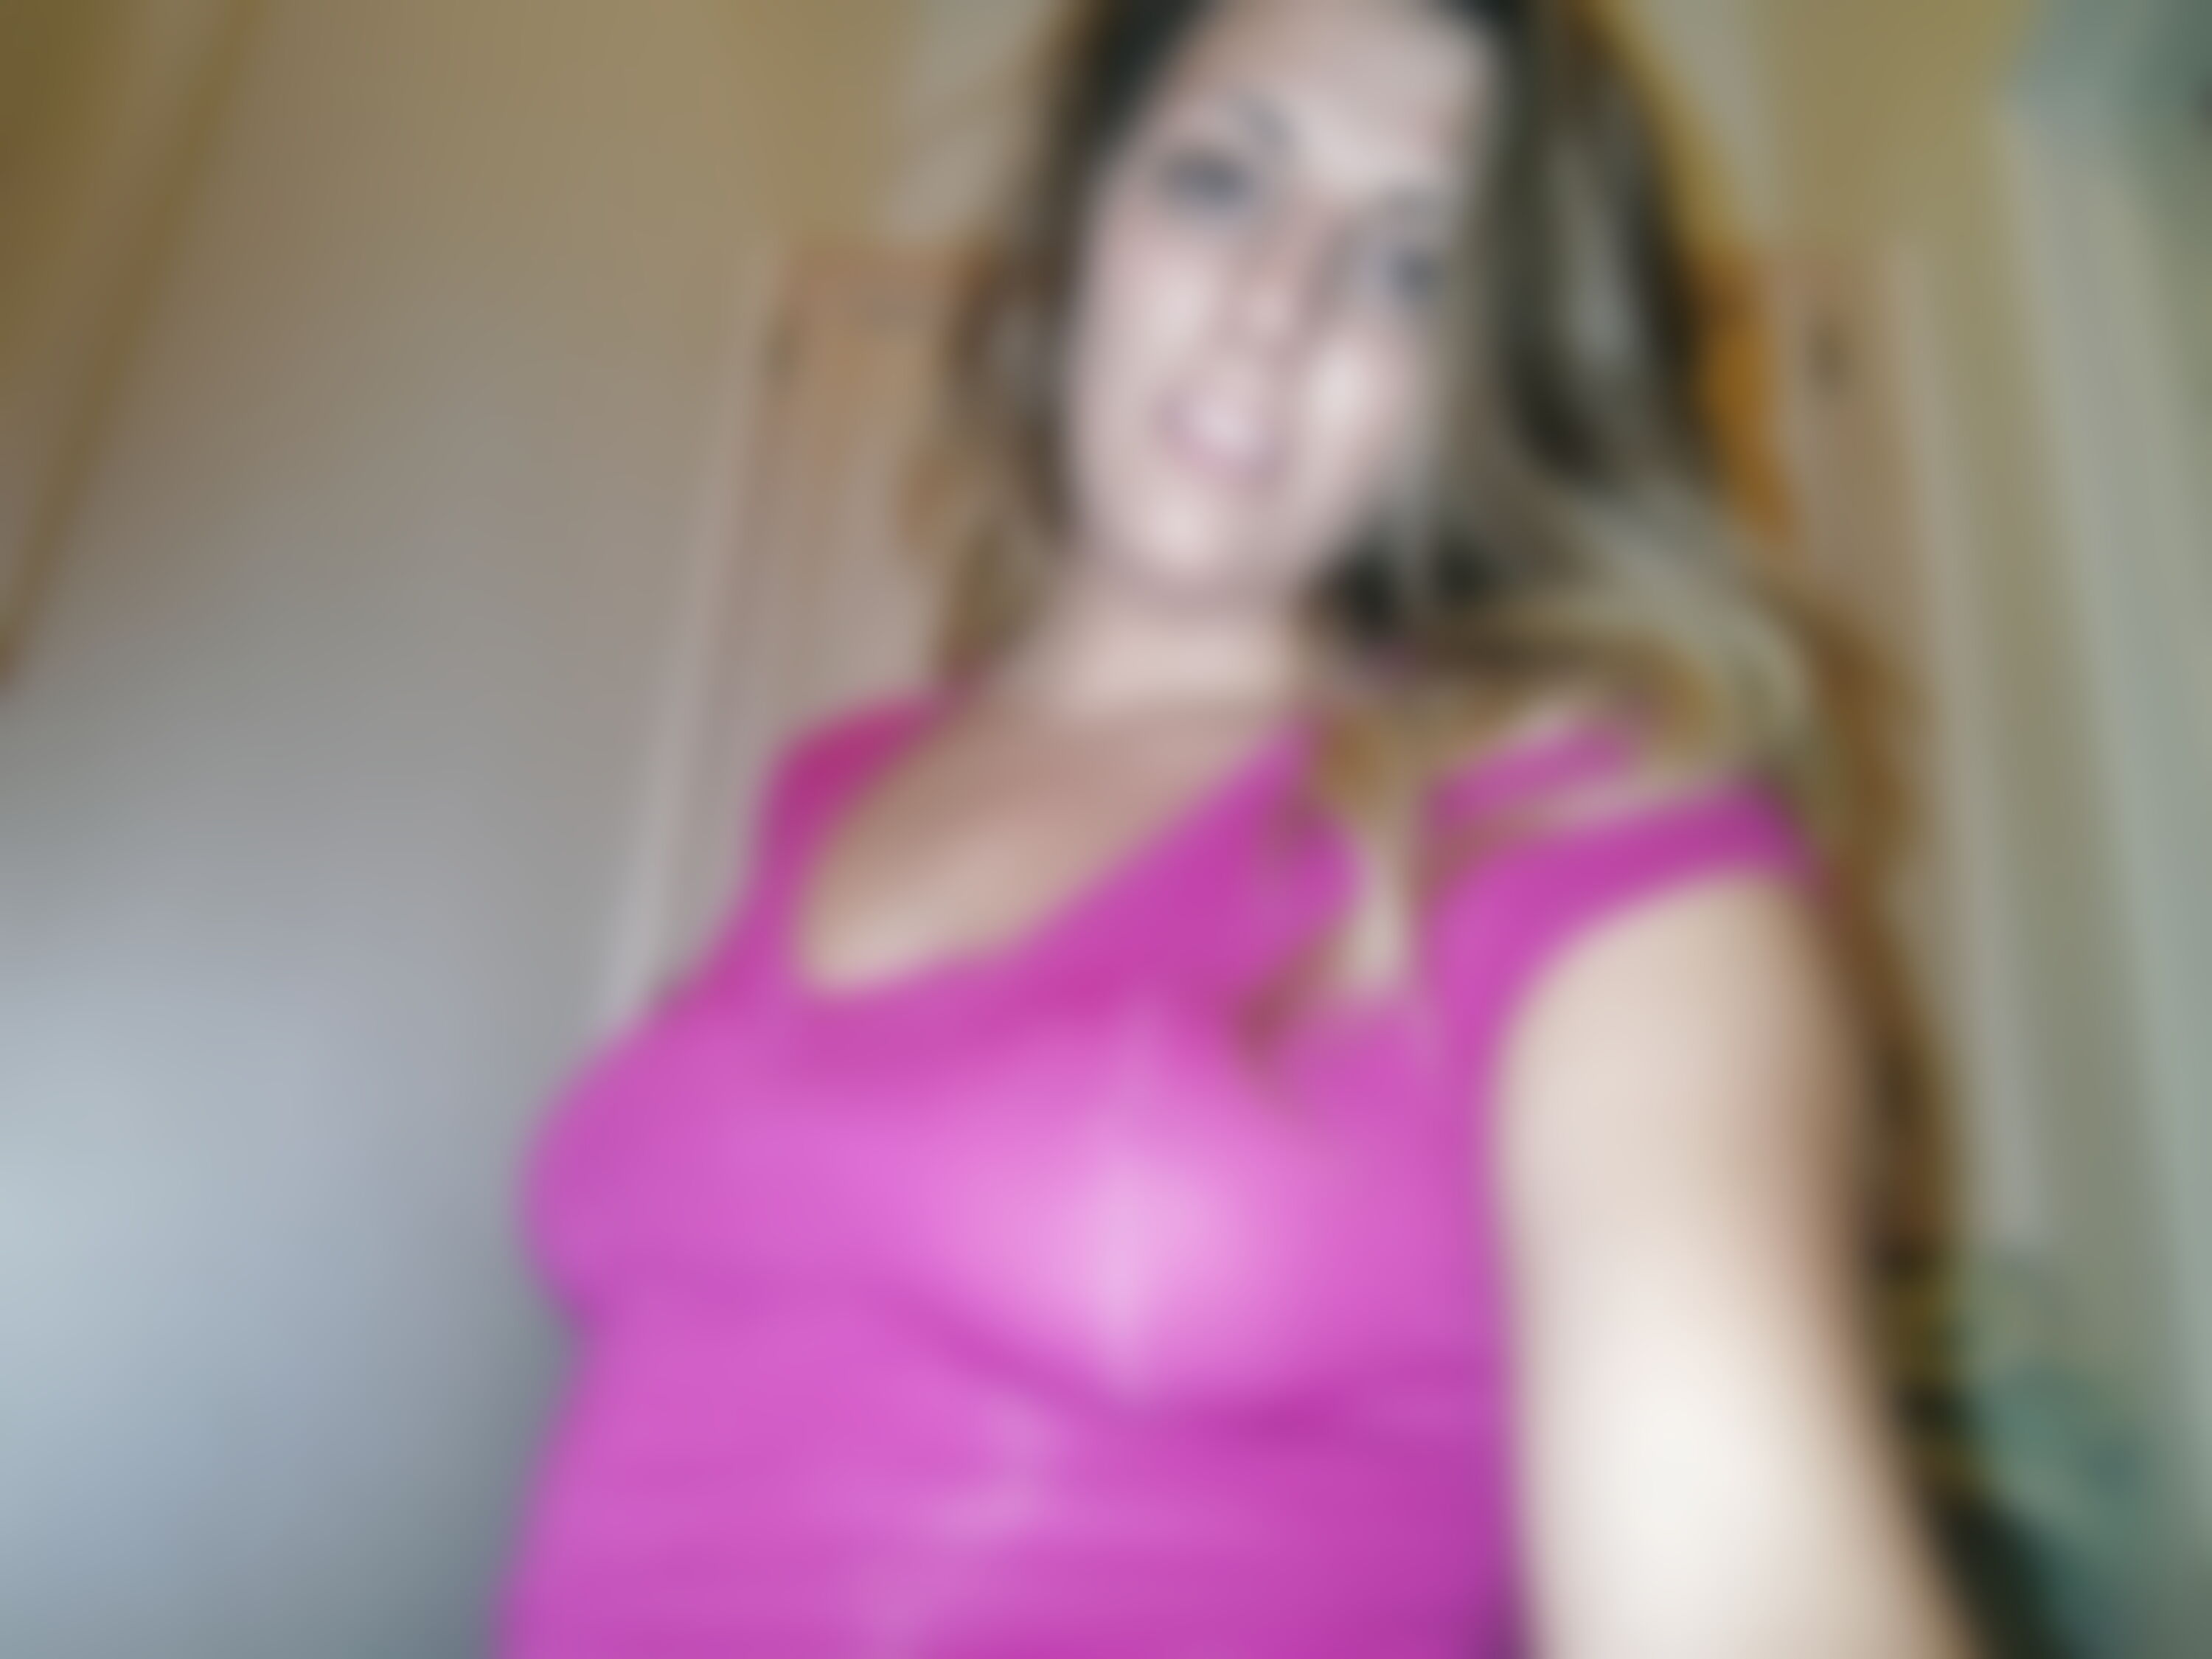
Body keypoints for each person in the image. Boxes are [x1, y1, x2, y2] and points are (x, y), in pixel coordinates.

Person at [501, 1, 1982, 1653]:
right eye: (1218, 180)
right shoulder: (826, 780)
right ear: (1081, 226)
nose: (1281, 298)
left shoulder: (1578, 823)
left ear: (1487, 388)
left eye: (1414, 267)